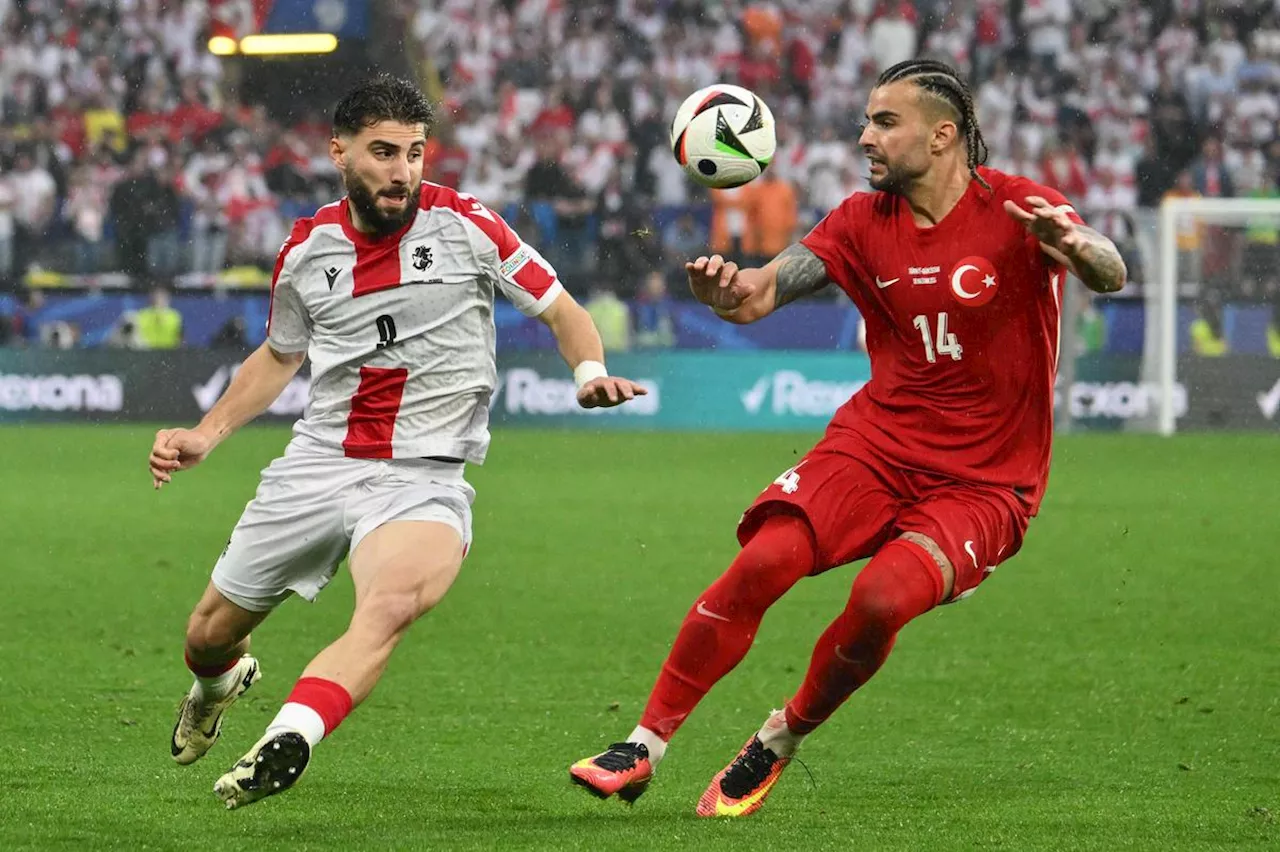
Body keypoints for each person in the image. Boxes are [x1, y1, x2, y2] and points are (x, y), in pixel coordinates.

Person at [570, 59, 1126, 817]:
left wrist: (1075, 243)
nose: (865, 136)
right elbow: (759, 294)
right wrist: (727, 291)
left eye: (884, 122)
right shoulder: (861, 223)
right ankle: (642, 745)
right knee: (763, 560)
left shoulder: (1020, 207)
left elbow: (1109, 268)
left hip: (987, 483)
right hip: (875, 446)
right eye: (866, 119)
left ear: (943, 135)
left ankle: (780, 737)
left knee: (878, 600)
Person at [149, 75, 646, 810]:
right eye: (383, 152)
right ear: (339, 151)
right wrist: (206, 434)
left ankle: (291, 736)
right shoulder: (307, 249)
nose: (402, 170)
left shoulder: (470, 226)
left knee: (387, 606)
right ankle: (219, 685)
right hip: (319, 464)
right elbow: (281, 355)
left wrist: (590, 372)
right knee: (207, 635)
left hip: (426, 478)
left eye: (415, 153)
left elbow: (562, 309)